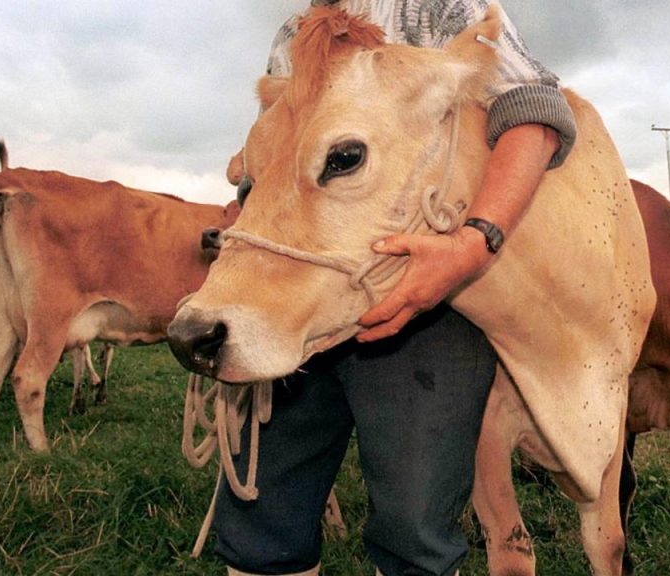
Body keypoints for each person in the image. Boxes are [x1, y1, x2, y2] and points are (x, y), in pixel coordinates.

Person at [212, 2, 577, 575]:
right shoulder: (296, 33)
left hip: (424, 295)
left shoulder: (441, 5)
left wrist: (471, 244)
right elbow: (284, 157)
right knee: (264, 507)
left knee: (415, 524)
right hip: (299, 293)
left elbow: (533, 110)